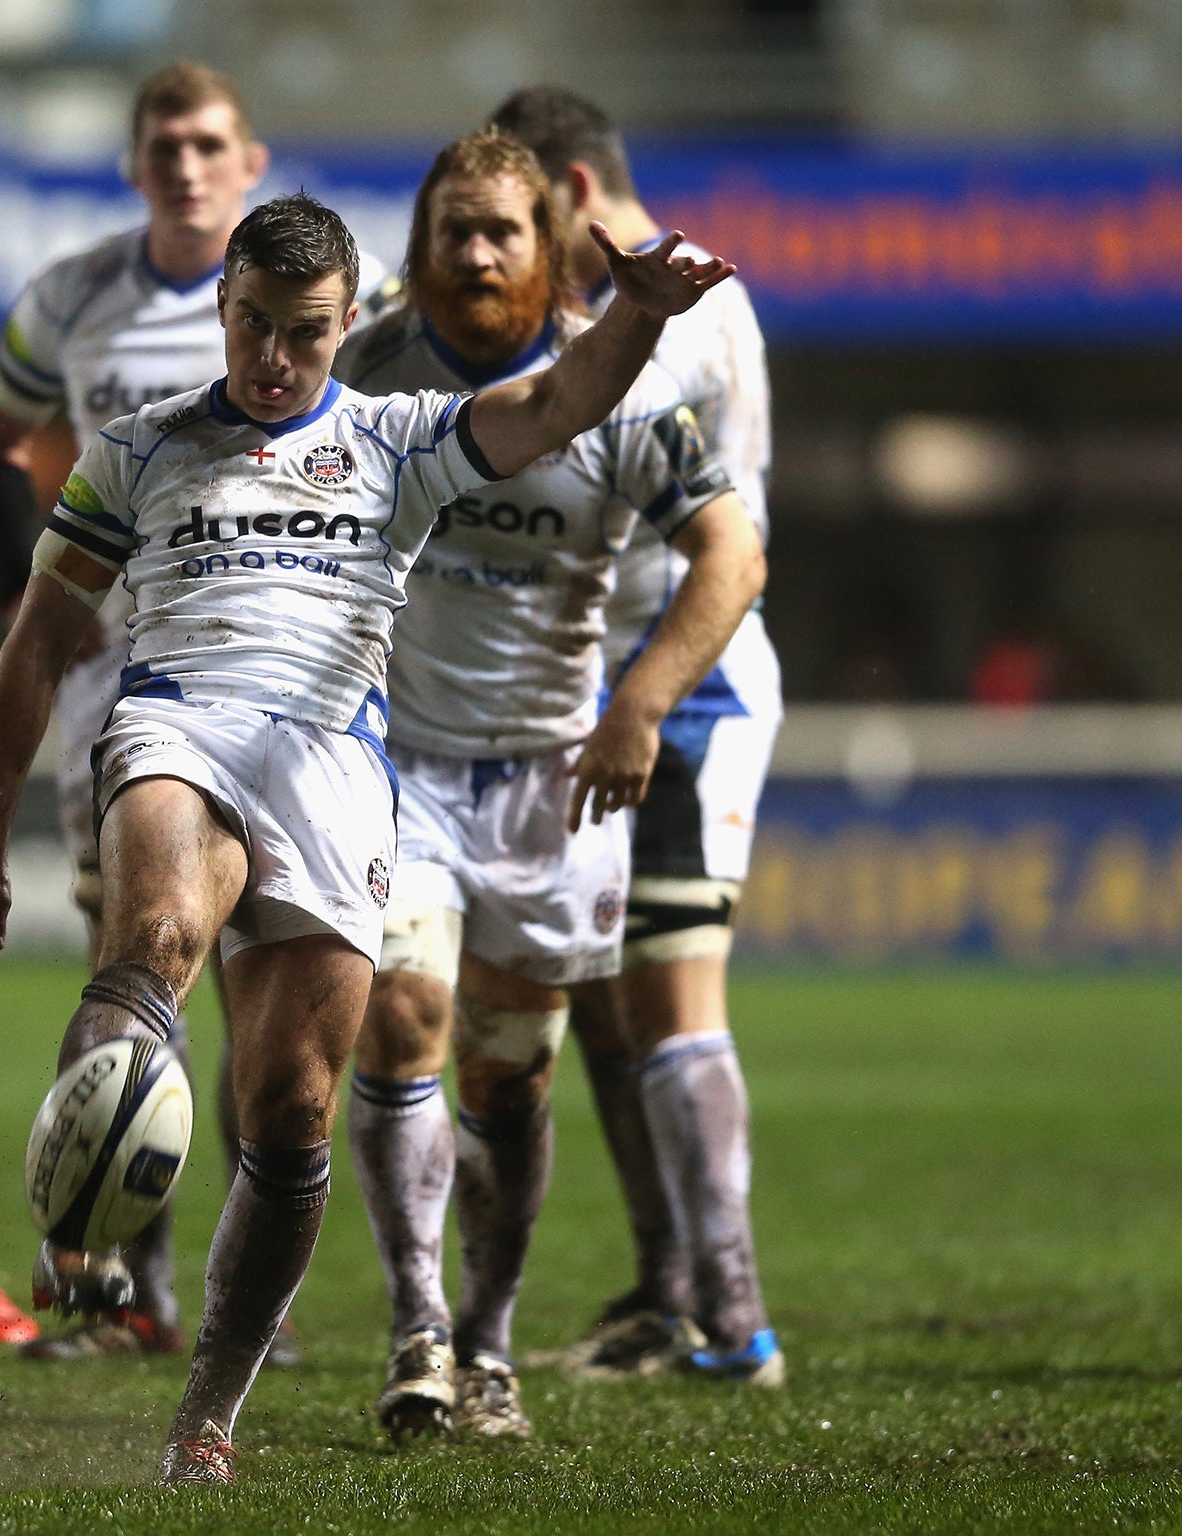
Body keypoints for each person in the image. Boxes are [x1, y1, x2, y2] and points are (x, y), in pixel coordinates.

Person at [0, 191, 736, 1483]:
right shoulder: (139, 448)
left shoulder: (401, 439)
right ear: (222, 310)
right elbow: (38, 638)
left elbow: (562, 404)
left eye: (300, 332)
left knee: (290, 1111)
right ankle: (85, 1208)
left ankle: (205, 1418)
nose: (270, 357)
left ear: (346, 324)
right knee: (161, 929)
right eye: (248, 325)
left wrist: (632, 311)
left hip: (337, 772)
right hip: (180, 724)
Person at [333, 129, 768, 1442]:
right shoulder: (366, 370)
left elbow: (731, 557)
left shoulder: (628, 395)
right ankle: (415, 1330)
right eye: (453, 228)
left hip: (548, 782)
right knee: (405, 1018)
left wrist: (639, 704)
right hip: (396, 763)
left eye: (500, 232)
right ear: (419, 243)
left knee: (511, 1080)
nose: (474, 252)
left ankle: (487, 1344)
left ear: (545, 247)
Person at [0, 60, 322, 1363]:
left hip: (288, 680)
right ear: (134, 163)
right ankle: (115, 1290)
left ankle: (227, 1291)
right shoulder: (69, 298)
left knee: (257, 982)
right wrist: (28, 596)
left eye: (207, 141)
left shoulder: (318, 290)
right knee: (138, 958)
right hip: (123, 682)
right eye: (162, 142)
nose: (183, 161)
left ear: (249, 159)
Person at [491, 85, 786, 1385]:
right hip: (600, 693)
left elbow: (585, 443)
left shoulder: (672, 312)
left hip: (685, 685)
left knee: (670, 993)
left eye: (519, 207)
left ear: (570, 189)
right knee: (606, 1005)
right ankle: (669, 1292)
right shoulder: (661, 299)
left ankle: (736, 1321)